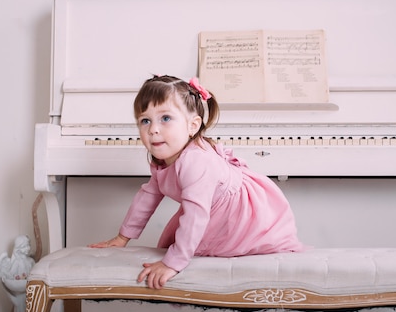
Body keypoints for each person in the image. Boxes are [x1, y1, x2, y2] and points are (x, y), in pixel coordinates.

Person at [89, 75, 304, 289]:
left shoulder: (196, 160)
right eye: (145, 120)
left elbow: (196, 215)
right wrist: (122, 237)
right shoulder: (164, 159)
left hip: (243, 218)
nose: (153, 129)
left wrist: (173, 263)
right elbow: (148, 196)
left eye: (165, 118)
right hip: (211, 213)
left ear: (192, 126)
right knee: (181, 233)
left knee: (184, 240)